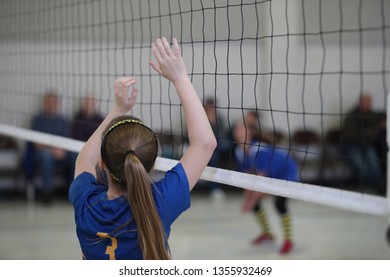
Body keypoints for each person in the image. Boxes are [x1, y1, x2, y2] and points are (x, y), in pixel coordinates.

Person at [68, 37, 217, 260]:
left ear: (102, 163)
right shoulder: (159, 204)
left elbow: (83, 161)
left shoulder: (85, 201)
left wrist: (118, 109)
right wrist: (180, 78)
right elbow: (205, 143)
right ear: (153, 164)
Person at [232, 118, 299, 254]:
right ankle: (268, 234)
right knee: (255, 204)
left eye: (241, 128)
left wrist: (250, 200)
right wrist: (249, 199)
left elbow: (261, 179)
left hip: (286, 174)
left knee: (279, 204)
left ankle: (288, 240)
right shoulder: (239, 152)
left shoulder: (259, 149)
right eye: (236, 128)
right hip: (269, 177)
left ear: (250, 133)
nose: (236, 131)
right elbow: (247, 177)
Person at [31, 90, 76, 203]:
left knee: (74, 155)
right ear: (45, 103)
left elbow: (67, 141)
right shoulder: (38, 120)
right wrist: (52, 150)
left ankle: (71, 191)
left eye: (53, 102)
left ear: (57, 104)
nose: (51, 104)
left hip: (61, 151)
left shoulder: (63, 121)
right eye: (49, 102)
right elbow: (37, 144)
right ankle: (47, 193)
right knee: (45, 157)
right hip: (44, 152)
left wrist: (63, 151)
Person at [341, 93, 385, 195]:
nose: (367, 104)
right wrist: (368, 132)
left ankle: (377, 190)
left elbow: (375, 131)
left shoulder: (373, 115)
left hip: (368, 146)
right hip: (352, 146)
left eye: (369, 102)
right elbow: (349, 134)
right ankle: (369, 191)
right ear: (359, 103)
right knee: (363, 169)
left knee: (375, 168)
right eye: (365, 102)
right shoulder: (351, 116)